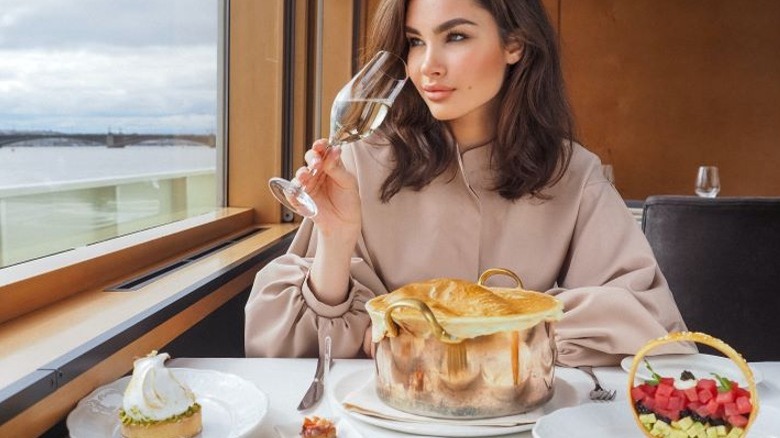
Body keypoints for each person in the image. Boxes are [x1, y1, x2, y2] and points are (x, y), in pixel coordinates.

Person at [245, 0, 691, 366]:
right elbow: (281, 350)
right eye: (415, 42)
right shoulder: (360, 162)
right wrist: (336, 240)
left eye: (455, 37)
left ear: (514, 43)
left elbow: (651, 326)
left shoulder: (572, 172)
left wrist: (449, 336)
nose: (428, 67)